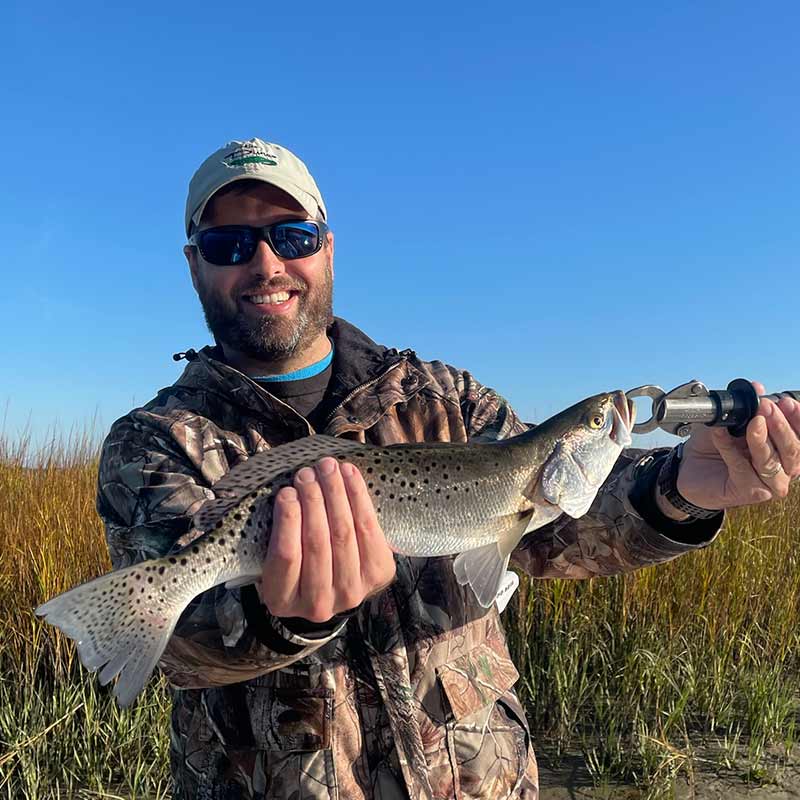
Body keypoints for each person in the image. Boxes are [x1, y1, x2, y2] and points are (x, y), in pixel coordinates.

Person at [96, 137, 800, 800]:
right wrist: (279, 617)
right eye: (229, 244)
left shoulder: (447, 397)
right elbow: (179, 657)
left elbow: (554, 527)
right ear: (194, 263)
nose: (267, 264)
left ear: (328, 249)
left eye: (292, 236)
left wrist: (681, 489)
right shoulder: (154, 441)